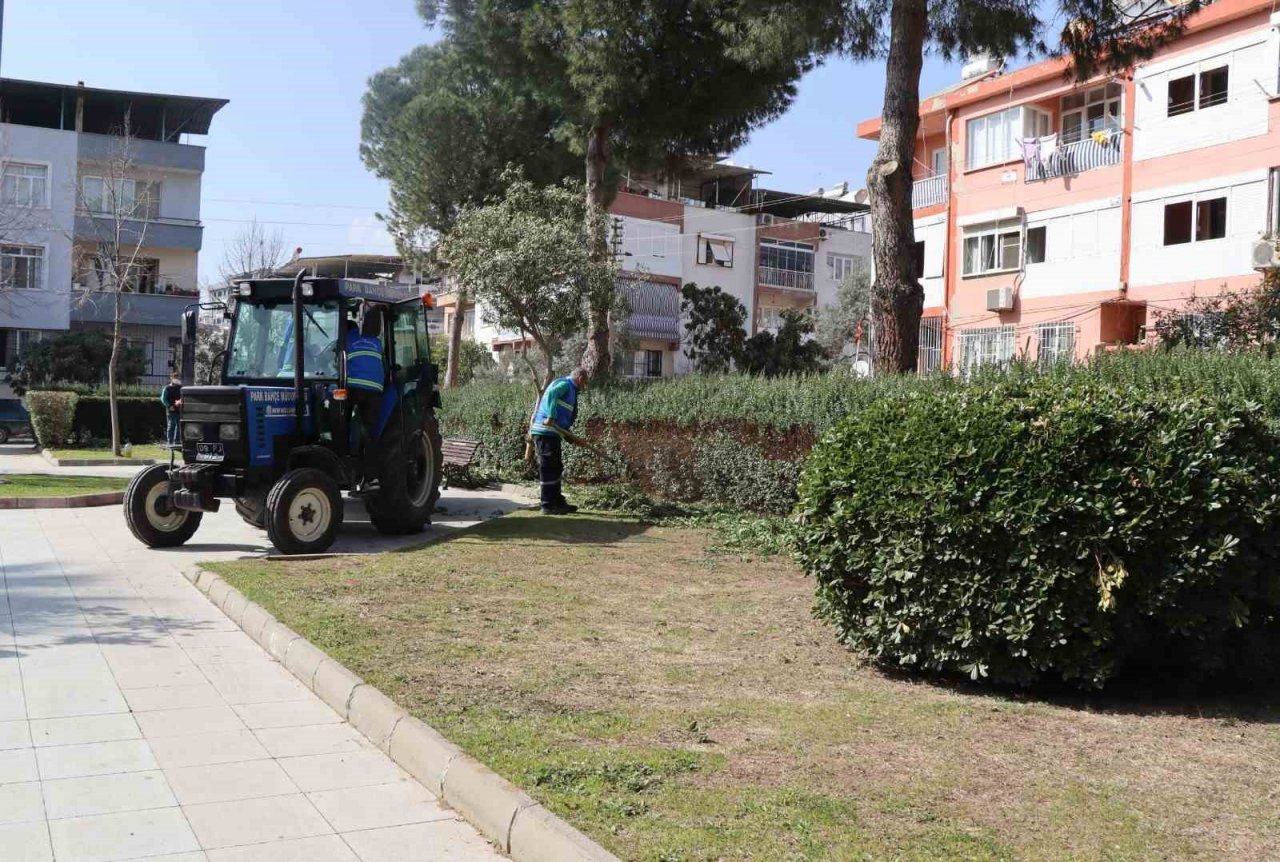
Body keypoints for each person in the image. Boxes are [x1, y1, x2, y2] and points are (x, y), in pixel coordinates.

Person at [528, 367, 590, 515]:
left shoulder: (571, 391)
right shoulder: (565, 384)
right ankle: (547, 505)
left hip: (553, 433)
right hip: (544, 432)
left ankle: (557, 502)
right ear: (580, 379)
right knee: (548, 468)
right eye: (585, 382)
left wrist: (573, 440)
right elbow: (551, 394)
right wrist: (551, 415)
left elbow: (562, 423)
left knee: (556, 467)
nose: (585, 386)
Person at [345, 308, 385, 481]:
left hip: (355, 389)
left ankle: (350, 454)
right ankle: (371, 477)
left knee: (343, 421)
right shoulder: (377, 343)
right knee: (370, 432)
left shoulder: (350, 339)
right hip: (375, 390)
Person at [160, 373, 182, 448]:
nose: (176, 378)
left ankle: (177, 442)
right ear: (171, 378)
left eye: (177, 377)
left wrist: (180, 402)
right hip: (170, 410)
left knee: (179, 426)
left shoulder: (180, 388)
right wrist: (169, 406)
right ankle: (170, 442)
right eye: (175, 377)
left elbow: (183, 397)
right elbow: (163, 399)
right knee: (171, 426)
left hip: (179, 410)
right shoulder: (167, 388)